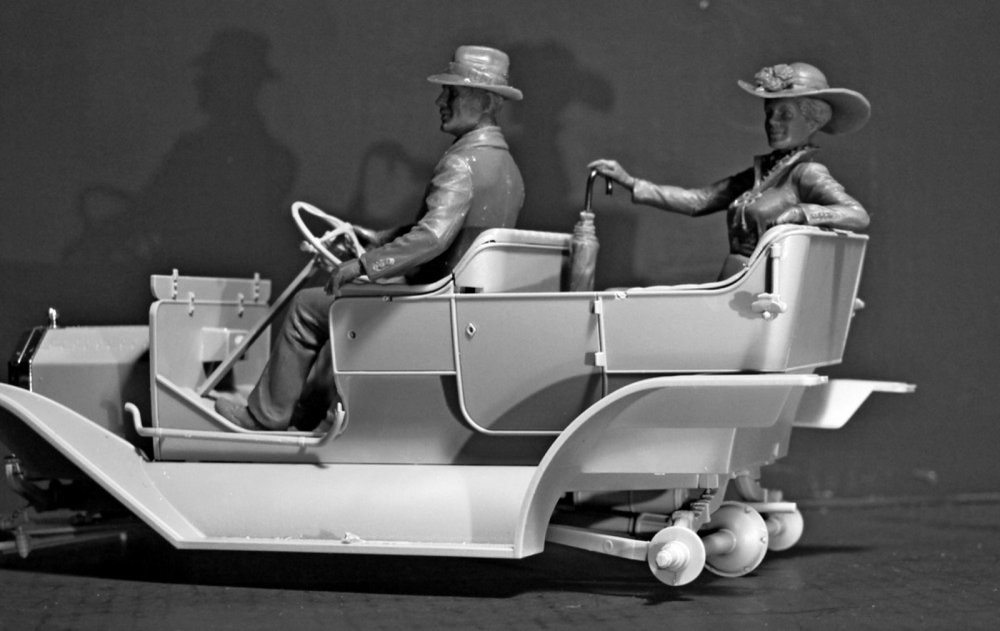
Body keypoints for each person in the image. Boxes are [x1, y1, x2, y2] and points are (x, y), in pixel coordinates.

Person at [215, 45, 525, 431]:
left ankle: (266, 416)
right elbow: (453, 231)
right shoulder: (508, 169)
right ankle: (310, 410)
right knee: (339, 308)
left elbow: (432, 237)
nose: (440, 102)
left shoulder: (462, 163)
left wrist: (365, 264)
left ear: (486, 101)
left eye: (453, 93)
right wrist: (375, 239)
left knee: (307, 308)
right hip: (460, 301)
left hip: (430, 301)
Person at [589, 62, 871, 279]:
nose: (772, 122)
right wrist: (630, 182)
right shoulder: (762, 175)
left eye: (785, 114)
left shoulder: (807, 173)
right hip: (735, 281)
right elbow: (699, 200)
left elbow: (857, 214)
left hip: (768, 291)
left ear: (812, 122)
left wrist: (801, 213)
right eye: (769, 113)